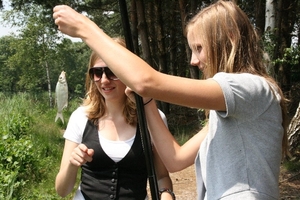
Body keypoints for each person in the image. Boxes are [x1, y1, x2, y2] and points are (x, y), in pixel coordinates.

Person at [53, 0, 289, 199]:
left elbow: (146, 81)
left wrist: (86, 29)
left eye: (199, 48)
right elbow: (176, 159)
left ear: (227, 38)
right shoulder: (230, 111)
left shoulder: (250, 87)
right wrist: (146, 102)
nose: (193, 61)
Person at [55, 37, 174, 200]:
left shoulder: (153, 119)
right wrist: (71, 163)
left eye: (112, 71)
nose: (104, 80)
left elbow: (162, 177)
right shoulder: (80, 118)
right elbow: (62, 190)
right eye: (97, 72)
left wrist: (166, 195)